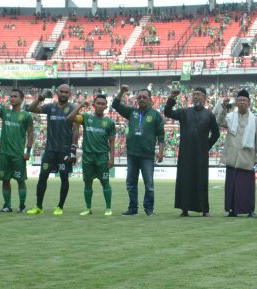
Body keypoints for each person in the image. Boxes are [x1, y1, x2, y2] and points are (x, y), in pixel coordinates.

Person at [164, 86, 220, 217]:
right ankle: (184, 209)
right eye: (194, 94)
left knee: (201, 180)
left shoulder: (210, 115)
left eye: (199, 94)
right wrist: (172, 98)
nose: (195, 96)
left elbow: (216, 134)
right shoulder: (184, 112)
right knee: (185, 180)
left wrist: (206, 147)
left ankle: (204, 210)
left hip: (201, 154)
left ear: (205, 98)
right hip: (185, 153)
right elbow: (168, 113)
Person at [25, 84, 78, 215]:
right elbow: (31, 108)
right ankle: (38, 207)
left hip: (65, 151)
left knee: (64, 178)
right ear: (57, 93)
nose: (64, 94)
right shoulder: (50, 107)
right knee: (42, 177)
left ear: (70, 95)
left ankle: (60, 207)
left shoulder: (73, 108)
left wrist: (73, 149)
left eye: (66, 92)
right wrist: (41, 97)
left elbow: (76, 129)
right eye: (61, 91)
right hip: (50, 150)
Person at [112, 85, 166, 216]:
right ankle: (133, 208)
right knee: (131, 183)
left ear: (150, 99)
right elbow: (115, 104)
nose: (141, 99)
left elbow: (161, 135)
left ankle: (149, 209)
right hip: (132, 154)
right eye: (139, 97)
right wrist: (122, 91)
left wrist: (161, 151)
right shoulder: (132, 112)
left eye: (144, 97)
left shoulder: (156, 115)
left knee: (149, 184)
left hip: (147, 155)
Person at [215, 89, 257, 217]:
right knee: (231, 187)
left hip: (247, 159)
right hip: (232, 158)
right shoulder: (230, 117)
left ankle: (250, 210)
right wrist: (224, 108)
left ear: (249, 103)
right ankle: (232, 210)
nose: (242, 103)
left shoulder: (256, 121)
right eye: (240, 100)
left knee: (248, 187)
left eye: (244, 101)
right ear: (236, 103)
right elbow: (219, 121)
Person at [68, 94, 116, 215]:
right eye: (98, 103)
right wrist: (80, 106)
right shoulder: (85, 117)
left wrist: (112, 159)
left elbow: (112, 142)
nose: (100, 105)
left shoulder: (109, 122)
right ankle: (88, 208)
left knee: (105, 182)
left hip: (102, 157)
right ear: (94, 105)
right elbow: (70, 118)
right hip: (88, 157)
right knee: (87, 183)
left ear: (106, 106)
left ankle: (108, 208)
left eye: (103, 104)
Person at [0, 87, 33, 213]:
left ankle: (22, 206)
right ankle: (7, 206)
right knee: (5, 180)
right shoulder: (5, 112)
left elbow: (30, 135)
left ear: (22, 99)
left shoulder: (26, 116)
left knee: (20, 180)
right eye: (11, 96)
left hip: (18, 155)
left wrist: (28, 151)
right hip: (4, 154)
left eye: (15, 96)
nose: (12, 98)